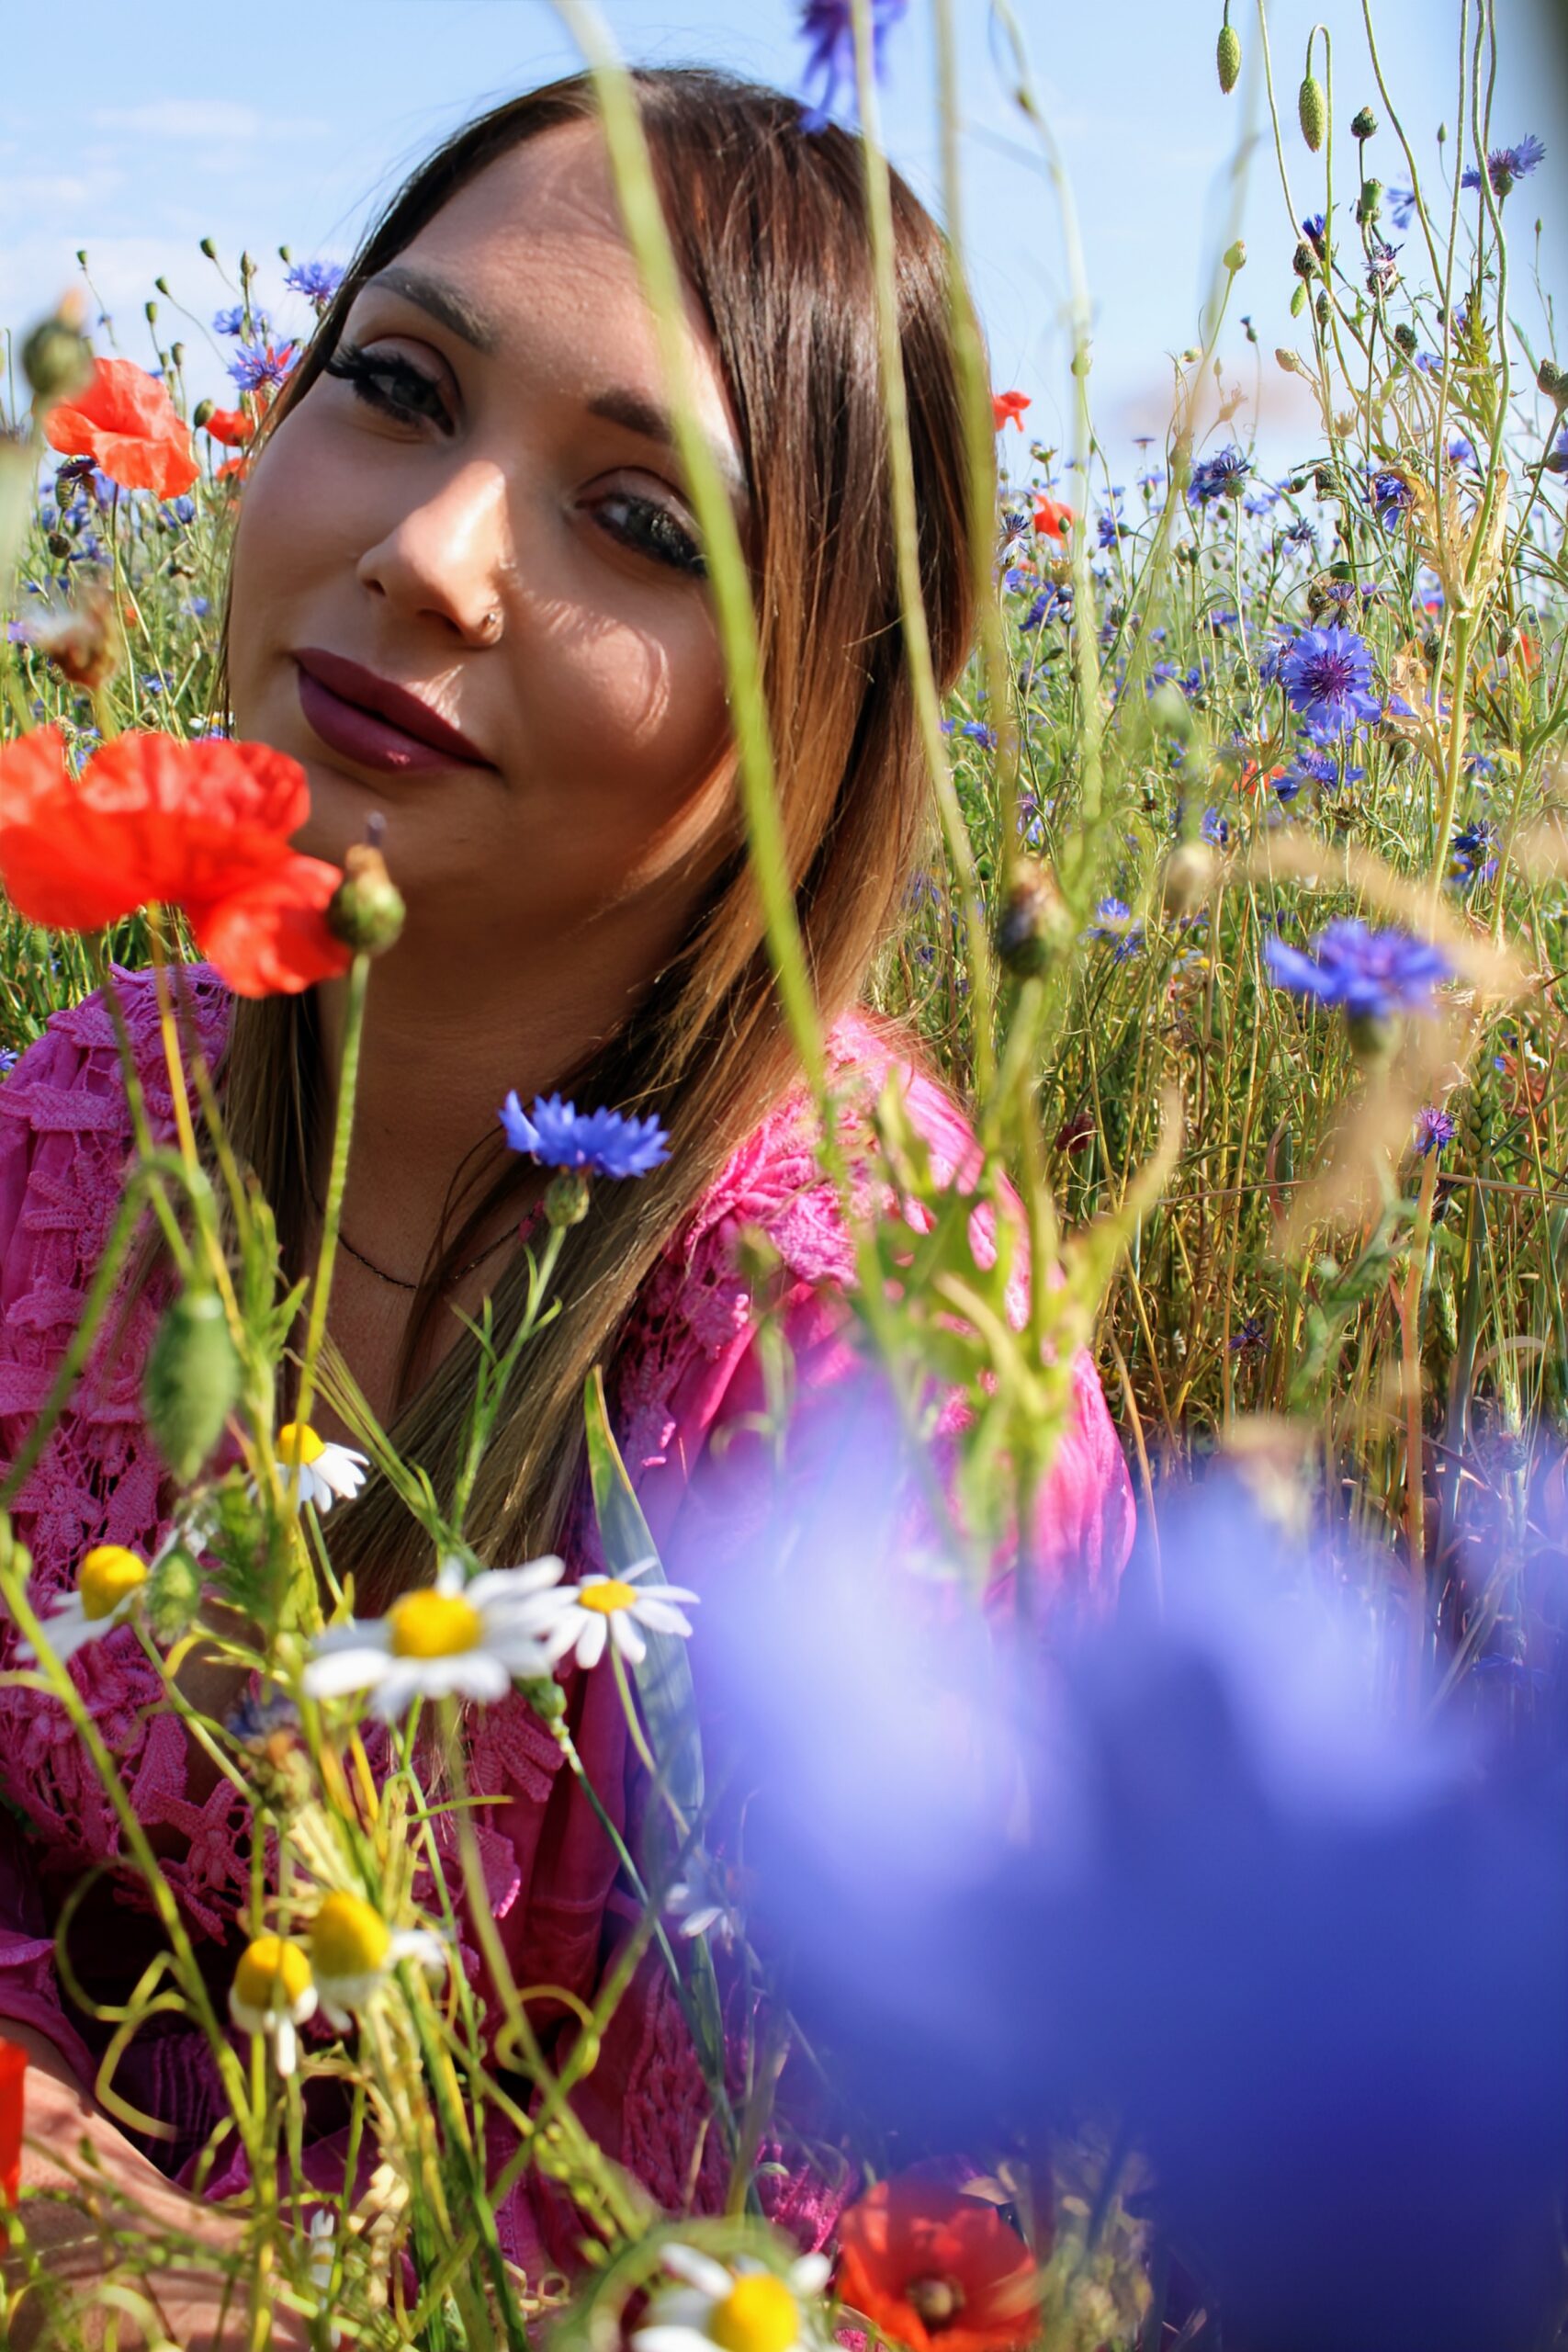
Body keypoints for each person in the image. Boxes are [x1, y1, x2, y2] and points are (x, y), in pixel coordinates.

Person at [0, 69, 1133, 2347]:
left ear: (827, 705)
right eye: (397, 387)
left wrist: (175, 2286)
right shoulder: (77, 1134)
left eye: (636, 520)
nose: (430, 553)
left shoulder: (858, 1364)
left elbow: (800, 2261)